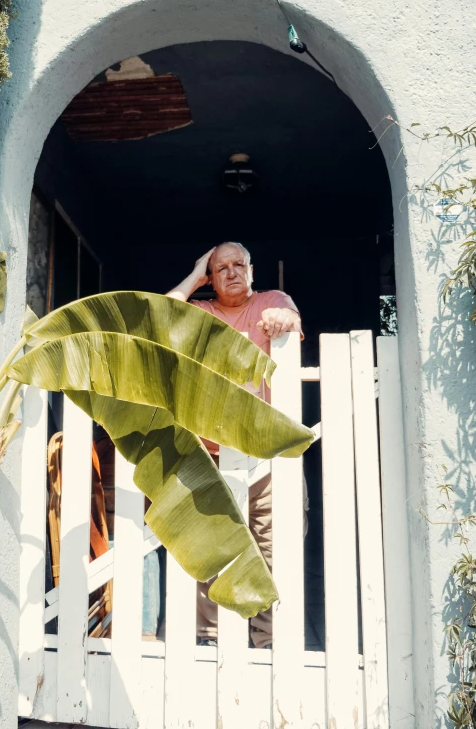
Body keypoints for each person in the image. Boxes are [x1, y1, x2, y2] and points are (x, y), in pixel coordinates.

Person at [167, 242, 306, 649]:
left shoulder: (269, 300)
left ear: (251, 269)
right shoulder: (202, 311)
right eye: (220, 268)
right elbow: (162, 317)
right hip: (210, 455)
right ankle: (210, 640)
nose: (231, 273)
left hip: (267, 457)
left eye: (238, 265)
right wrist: (194, 276)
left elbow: (289, 315)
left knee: (271, 549)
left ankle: (268, 643)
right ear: (211, 278)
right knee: (212, 550)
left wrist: (285, 317)